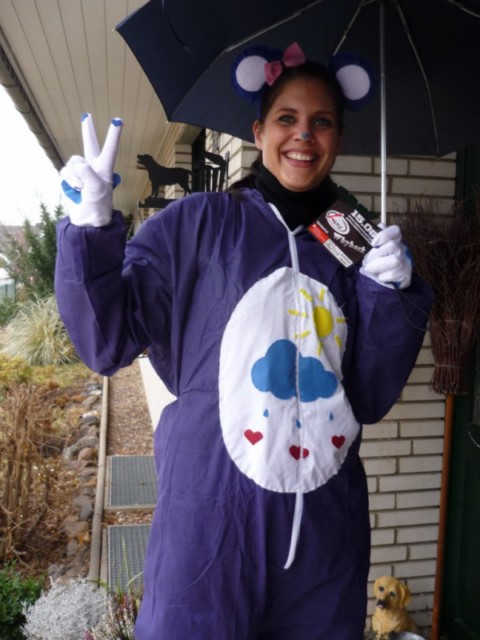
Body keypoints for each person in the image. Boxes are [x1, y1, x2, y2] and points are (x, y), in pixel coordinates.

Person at [55, 43, 433, 640]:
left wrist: (393, 296)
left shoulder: (358, 248)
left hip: (323, 534)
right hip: (208, 523)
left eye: (321, 121)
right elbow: (106, 342)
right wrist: (90, 232)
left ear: (339, 138)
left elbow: (370, 395)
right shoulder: (197, 224)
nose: (303, 135)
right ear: (259, 132)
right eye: (287, 118)